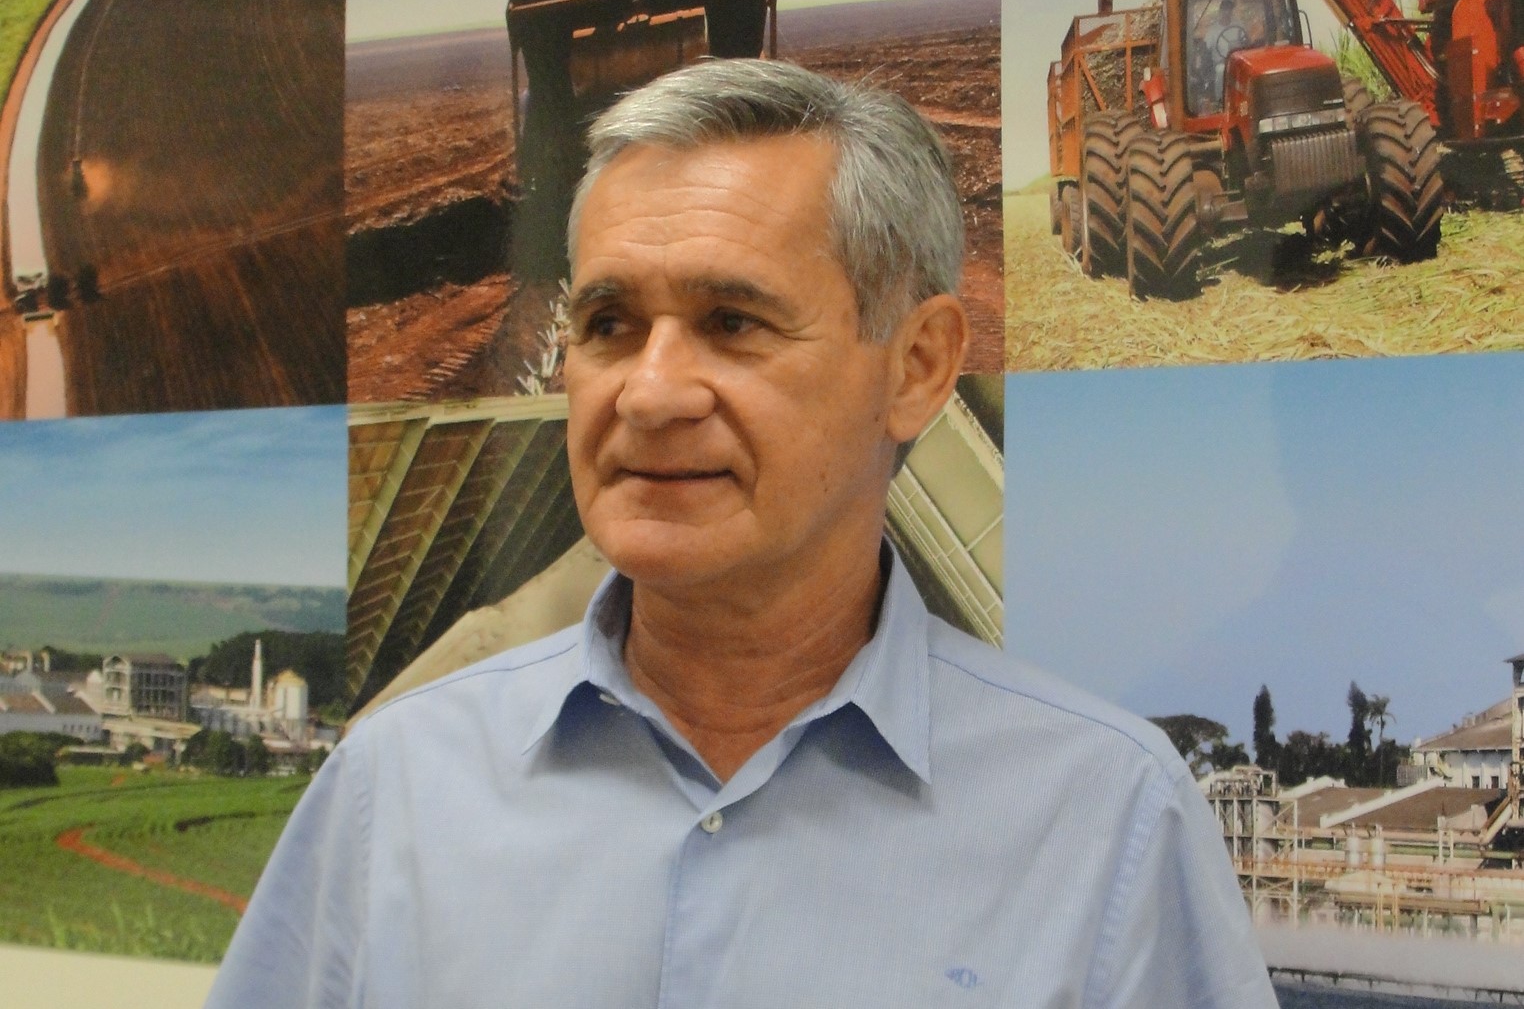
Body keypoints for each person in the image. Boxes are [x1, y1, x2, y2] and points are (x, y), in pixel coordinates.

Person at [205, 59, 1276, 1008]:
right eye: (609, 325)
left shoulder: (1106, 823)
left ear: (916, 367)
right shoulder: (397, 786)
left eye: (732, 322)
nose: (650, 393)